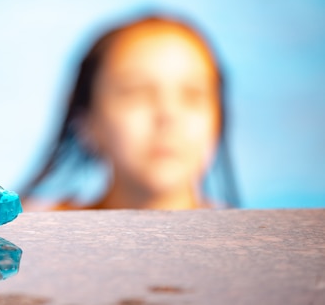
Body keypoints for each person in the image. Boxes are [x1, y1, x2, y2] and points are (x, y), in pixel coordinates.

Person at [19, 12, 240, 210]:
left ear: (218, 118)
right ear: (86, 121)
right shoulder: (35, 240)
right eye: (136, 93)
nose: (168, 115)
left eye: (193, 95)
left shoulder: (247, 243)